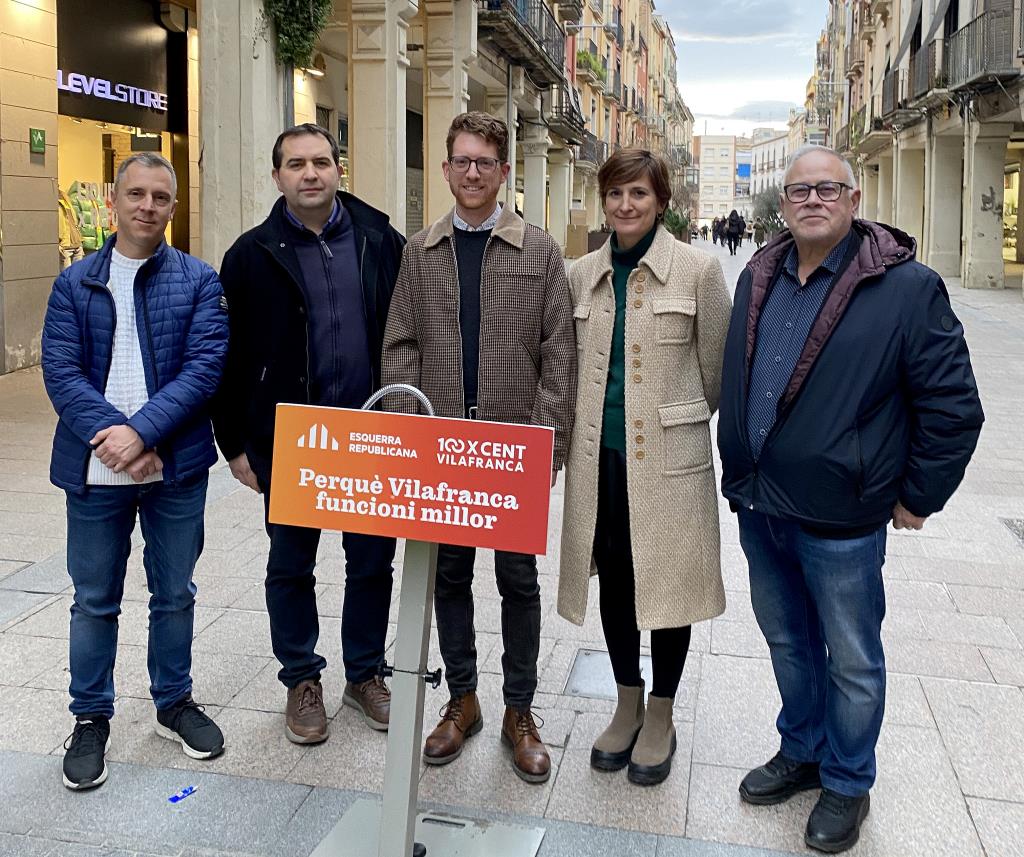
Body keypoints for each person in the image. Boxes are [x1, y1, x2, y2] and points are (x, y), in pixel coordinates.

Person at [717, 145, 983, 853]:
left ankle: (846, 780)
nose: (812, 199)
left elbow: (954, 405)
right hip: (762, 504)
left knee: (853, 655)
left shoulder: (906, 287)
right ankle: (800, 748)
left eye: (828, 188)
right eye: (800, 189)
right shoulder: (760, 274)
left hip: (843, 515)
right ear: (783, 202)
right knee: (788, 642)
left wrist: (918, 496)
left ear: (854, 200)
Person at [382, 111, 576, 784]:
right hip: (441, 447)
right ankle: (462, 699)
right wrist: (411, 427)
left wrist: (544, 446)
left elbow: (559, 354)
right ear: (445, 169)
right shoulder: (420, 251)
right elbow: (400, 344)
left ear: (502, 172)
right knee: (449, 575)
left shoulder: (540, 251)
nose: (471, 172)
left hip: (509, 450)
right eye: (460, 161)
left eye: (483, 163)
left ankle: (520, 710)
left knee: (517, 580)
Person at [212, 124, 405, 744]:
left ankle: (366, 671)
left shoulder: (382, 238)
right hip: (294, 441)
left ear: (339, 169)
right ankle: (301, 677)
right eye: (296, 164)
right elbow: (228, 358)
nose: (310, 173)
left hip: (370, 436)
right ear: (278, 177)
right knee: (291, 566)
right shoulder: (250, 254)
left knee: (372, 563)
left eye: (321, 161)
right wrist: (236, 444)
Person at [41, 153, 229, 791]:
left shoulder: (199, 281)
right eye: (136, 195)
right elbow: (61, 373)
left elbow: (204, 369)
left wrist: (144, 433)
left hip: (174, 469)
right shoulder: (74, 283)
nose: (147, 207)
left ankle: (172, 702)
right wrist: (115, 440)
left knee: (175, 594)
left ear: (174, 207)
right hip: (96, 474)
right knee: (94, 602)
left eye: (160, 197)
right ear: (115, 200)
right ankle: (91, 717)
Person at [558, 149, 731, 786]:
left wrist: (672, 419)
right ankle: (627, 699)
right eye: (614, 195)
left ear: (660, 200)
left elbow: (716, 375)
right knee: (618, 578)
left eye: (637, 194)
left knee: (668, 581)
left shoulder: (698, 270)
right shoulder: (581, 276)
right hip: (599, 461)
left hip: (668, 462)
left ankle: (662, 713)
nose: (625, 206)